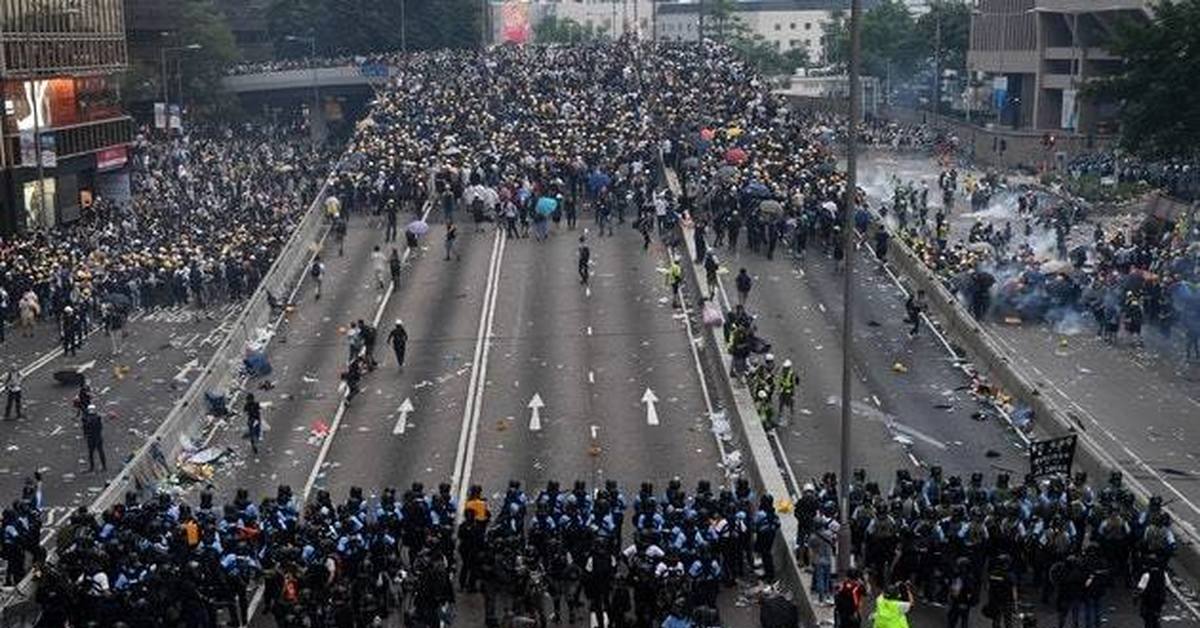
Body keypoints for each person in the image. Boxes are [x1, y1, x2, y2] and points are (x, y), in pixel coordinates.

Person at [1136, 558, 1167, 628]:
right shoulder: (1163, 574)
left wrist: (1136, 597)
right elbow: (1168, 585)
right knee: (1155, 617)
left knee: (1148, 620)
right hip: (1159, 601)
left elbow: (1141, 588)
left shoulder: (1146, 575)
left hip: (1148, 601)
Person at [81, 404, 106, 472]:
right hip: (98, 437)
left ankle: (92, 467)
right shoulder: (97, 417)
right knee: (100, 451)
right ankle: (104, 467)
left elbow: (85, 428)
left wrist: (85, 434)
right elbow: (100, 427)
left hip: (91, 437)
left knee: (91, 453)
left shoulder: (87, 419)